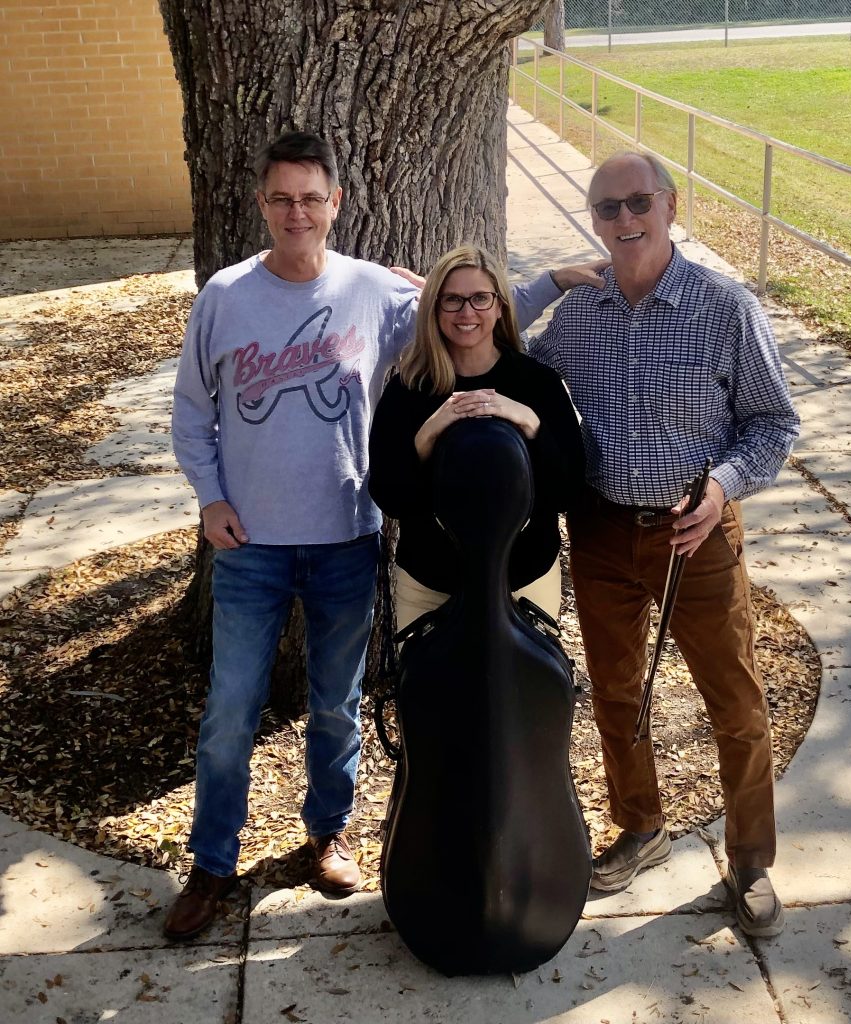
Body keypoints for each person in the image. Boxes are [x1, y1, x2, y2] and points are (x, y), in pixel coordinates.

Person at [167, 128, 602, 941]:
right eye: (281, 198)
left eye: (311, 198)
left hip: (345, 537)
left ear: (335, 203)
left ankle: (327, 835)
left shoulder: (373, 291)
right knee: (230, 711)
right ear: (261, 203)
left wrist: (549, 281)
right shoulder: (224, 296)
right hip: (249, 544)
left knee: (336, 704)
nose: (297, 212)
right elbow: (193, 412)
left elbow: (473, 317)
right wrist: (209, 498)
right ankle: (212, 863)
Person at [531, 151, 800, 938]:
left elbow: (774, 423)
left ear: (670, 207)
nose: (625, 219)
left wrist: (721, 488)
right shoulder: (578, 315)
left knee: (734, 700)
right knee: (617, 691)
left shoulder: (725, 307)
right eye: (607, 208)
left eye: (638, 202)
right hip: (602, 529)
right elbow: (505, 358)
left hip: (696, 532)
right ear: (594, 220)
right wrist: (510, 291)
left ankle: (751, 861)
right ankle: (641, 828)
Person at [369, 245, 591, 630]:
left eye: (480, 298)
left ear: (500, 306)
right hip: (430, 585)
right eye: (452, 299)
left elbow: (568, 492)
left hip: (524, 581)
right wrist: (427, 436)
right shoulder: (409, 390)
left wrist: (531, 424)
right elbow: (391, 497)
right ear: (434, 308)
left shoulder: (537, 383)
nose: (467, 312)